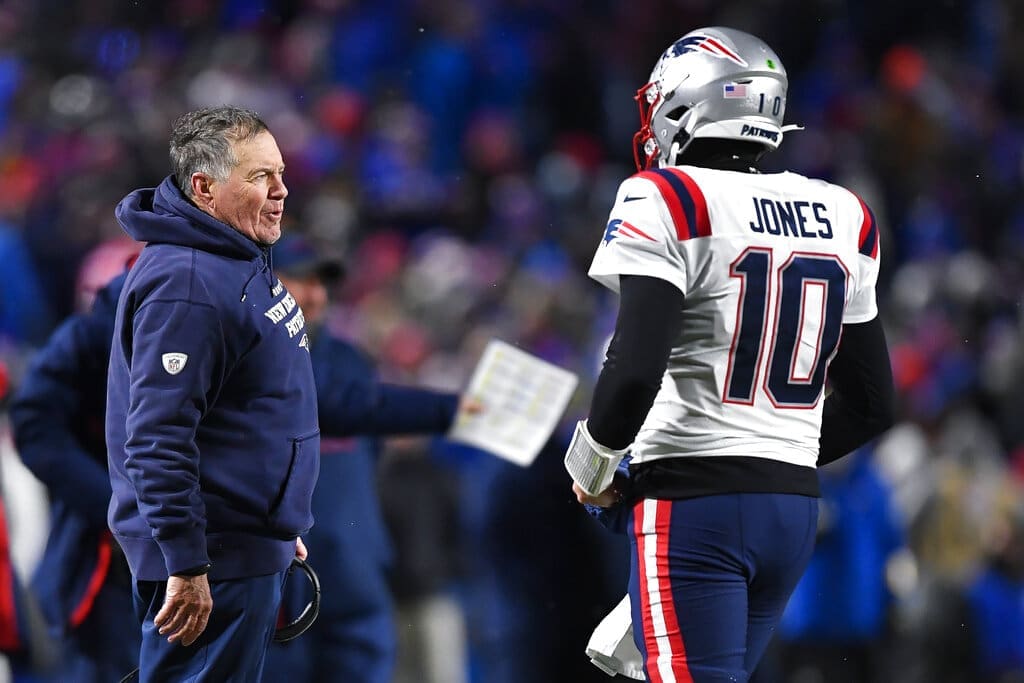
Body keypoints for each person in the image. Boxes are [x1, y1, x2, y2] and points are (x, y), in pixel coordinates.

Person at [564, 27, 895, 683]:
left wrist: (596, 463)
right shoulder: (843, 212)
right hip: (792, 507)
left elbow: (633, 367)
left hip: (694, 503)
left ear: (690, 101)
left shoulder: (669, 197)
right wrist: (773, 452)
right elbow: (873, 400)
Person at [105, 106, 318, 681]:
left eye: (279, 172)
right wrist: (187, 559)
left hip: (233, 545)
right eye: (260, 178)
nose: (282, 190)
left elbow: (244, 409)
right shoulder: (190, 285)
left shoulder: (230, 256)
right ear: (204, 188)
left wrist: (274, 517)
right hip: (209, 561)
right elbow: (155, 438)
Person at [263, 232, 471, 683]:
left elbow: (367, 435)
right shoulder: (253, 356)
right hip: (282, 567)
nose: (315, 295)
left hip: (354, 561)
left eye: (321, 283)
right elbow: (346, 405)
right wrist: (454, 409)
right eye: (299, 280)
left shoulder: (350, 358)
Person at [9, 268, 136, 682]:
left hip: (213, 544)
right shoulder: (99, 328)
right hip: (103, 554)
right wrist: (115, 505)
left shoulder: (236, 311)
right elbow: (34, 421)